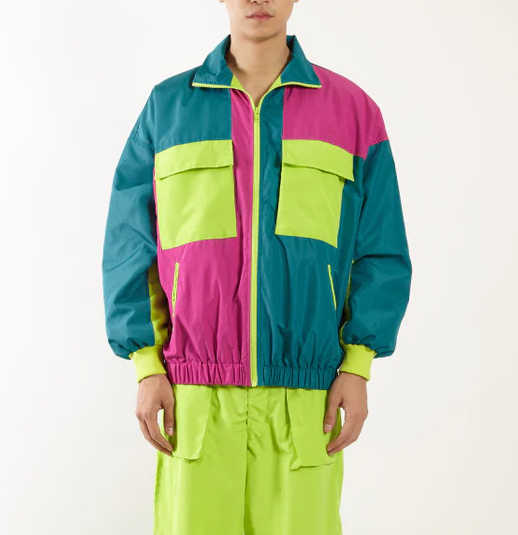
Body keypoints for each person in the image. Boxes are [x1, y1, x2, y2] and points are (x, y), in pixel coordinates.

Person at [102, 1, 412, 533]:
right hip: (194, 396)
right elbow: (130, 246)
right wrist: (147, 364)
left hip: (306, 396)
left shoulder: (353, 112)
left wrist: (358, 365)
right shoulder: (168, 108)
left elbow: (381, 249)